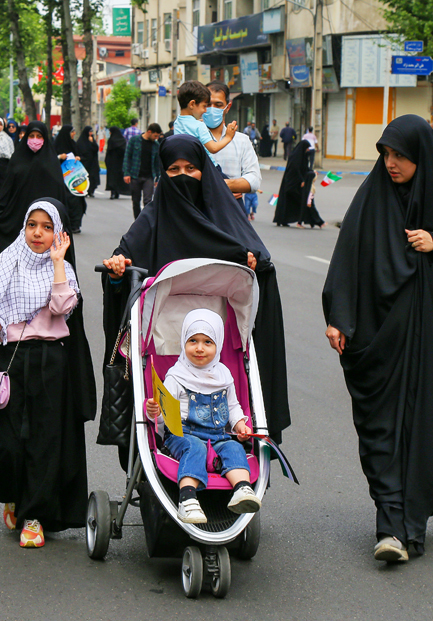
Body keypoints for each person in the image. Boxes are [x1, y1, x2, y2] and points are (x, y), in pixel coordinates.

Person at [322, 115, 433, 563]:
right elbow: (347, 259)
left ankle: (406, 526)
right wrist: (339, 318)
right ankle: (392, 522)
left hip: (430, 342)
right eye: (386, 154)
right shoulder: (372, 199)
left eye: (401, 156)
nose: (391, 163)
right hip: (378, 338)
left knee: (424, 428)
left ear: (421, 157)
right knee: (380, 429)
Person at [102, 135, 291, 450]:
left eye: (191, 168)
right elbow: (124, 261)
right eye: (174, 170)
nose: (183, 177)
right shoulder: (152, 219)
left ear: (204, 170)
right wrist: (117, 269)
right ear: (163, 173)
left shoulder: (224, 216)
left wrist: (253, 262)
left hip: (221, 344)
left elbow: (258, 259)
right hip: (161, 343)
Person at [0, 198, 96, 548]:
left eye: (47, 227)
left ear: (58, 233)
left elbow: (62, 307)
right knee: (11, 438)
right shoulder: (7, 261)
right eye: (32, 225)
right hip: (13, 359)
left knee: (45, 440)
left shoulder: (64, 269)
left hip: (50, 361)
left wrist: (57, 262)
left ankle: (34, 516)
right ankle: (14, 494)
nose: (38, 233)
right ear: (24, 227)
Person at [144, 308, 261, 523]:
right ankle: (187, 499)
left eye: (207, 342)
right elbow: (164, 413)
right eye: (193, 341)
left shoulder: (223, 374)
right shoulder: (176, 376)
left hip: (218, 436)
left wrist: (239, 425)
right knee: (195, 448)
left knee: (234, 448)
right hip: (182, 434)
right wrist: (155, 412)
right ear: (184, 343)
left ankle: (242, 489)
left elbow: (233, 406)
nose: (199, 348)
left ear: (218, 345)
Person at [0, 121, 74, 278]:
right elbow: (6, 191)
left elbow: (60, 195)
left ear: (45, 138)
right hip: (18, 219)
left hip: (45, 222)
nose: (35, 139)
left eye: (39, 136)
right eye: (31, 136)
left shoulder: (51, 162)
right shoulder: (17, 159)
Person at [204, 81, 261, 212]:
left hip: (232, 213)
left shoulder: (242, 141)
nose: (212, 109)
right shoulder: (190, 139)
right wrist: (224, 189)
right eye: (208, 104)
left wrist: (225, 185)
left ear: (228, 107)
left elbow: (254, 179)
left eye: (218, 105)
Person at [173, 81, 238, 162]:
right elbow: (214, 148)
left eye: (218, 105)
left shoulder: (177, 123)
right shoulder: (199, 126)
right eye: (205, 106)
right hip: (206, 165)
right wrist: (228, 137)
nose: (206, 110)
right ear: (192, 104)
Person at [122, 122, 163, 219]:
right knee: (136, 201)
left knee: (148, 201)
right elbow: (127, 157)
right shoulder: (134, 141)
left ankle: (146, 222)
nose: (156, 138)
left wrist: (158, 178)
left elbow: (157, 163)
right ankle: (137, 221)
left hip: (149, 177)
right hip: (135, 175)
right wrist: (126, 173)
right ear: (149, 132)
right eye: (155, 136)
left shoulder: (156, 145)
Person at [273, 139, 314, 228]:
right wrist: (302, 180)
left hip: (293, 183)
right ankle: (285, 220)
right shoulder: (296, 157)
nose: (308, 150)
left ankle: (283, 220)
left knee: (288, 203)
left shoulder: (300, 156)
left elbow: (303, 168)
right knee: (292, 201)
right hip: (291, 183)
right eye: (307, 148)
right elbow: (296, 169)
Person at [105, 126, 130, 199]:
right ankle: (117, 192)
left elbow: (109, 151)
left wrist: (107, 161)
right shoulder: (123, 140)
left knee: (112, 178)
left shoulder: (111, 140)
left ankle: (113, 192)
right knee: (119, 178)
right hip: (120, 162)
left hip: (112, 162)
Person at [76, 125, 101, 197]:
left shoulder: (92, 140)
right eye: (90, 132)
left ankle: (91, 191)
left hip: (92, 163)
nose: (91, 133)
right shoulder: (81, 142)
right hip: (84, 162)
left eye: (92, 132)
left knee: (93, 177)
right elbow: (79, 151)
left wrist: (92, 142)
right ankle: (85, 191)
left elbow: (95, 149)